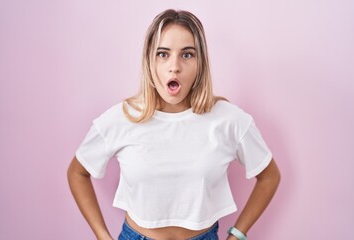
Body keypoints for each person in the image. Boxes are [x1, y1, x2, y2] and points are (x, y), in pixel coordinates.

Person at [67, 9, 280, 240]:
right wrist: (102, 236)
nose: (174, 66)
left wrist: (237, 235)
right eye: (163, 54)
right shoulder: (122, 117)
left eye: (187, 55)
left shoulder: (229, 120)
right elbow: (77, 172)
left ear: (200, 63)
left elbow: (270, 176)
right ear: (150, 61)